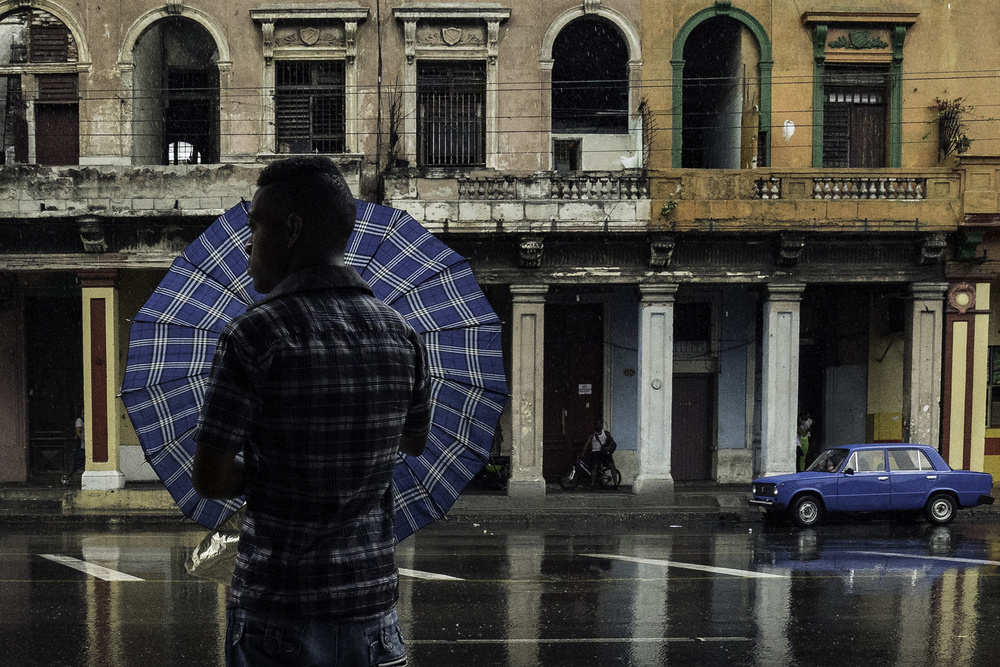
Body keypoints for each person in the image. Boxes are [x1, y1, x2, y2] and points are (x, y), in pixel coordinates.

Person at [192, 156, 432, 666]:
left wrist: (270, 474)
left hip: (280, 612)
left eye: (255, 226)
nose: (247, 244)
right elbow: (413, 442)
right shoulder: (402, 336)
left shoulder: (255, 334)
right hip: (373, 618)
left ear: (292, 230)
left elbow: (210, 479)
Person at [579, 419, 618, 487]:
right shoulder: (592, 435)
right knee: (595, 467)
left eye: (600, 424)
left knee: (612, 467)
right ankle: (592, 484)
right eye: (597, 424)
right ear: (595, 425)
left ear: (602, 425)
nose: (599, 426)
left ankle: (616, 484)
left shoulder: (606, 433)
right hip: (596, 452)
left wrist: (609, 448)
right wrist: (583, 452)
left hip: (605, 452)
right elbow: (586, 444)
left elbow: (612, 442)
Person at [62, 407, 84, 486]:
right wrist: (85, 440)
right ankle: (67, 476)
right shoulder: (80, 420)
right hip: (82, 446)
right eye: (82, 410)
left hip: (86, 446)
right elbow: (78, 432)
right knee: (77, 463)